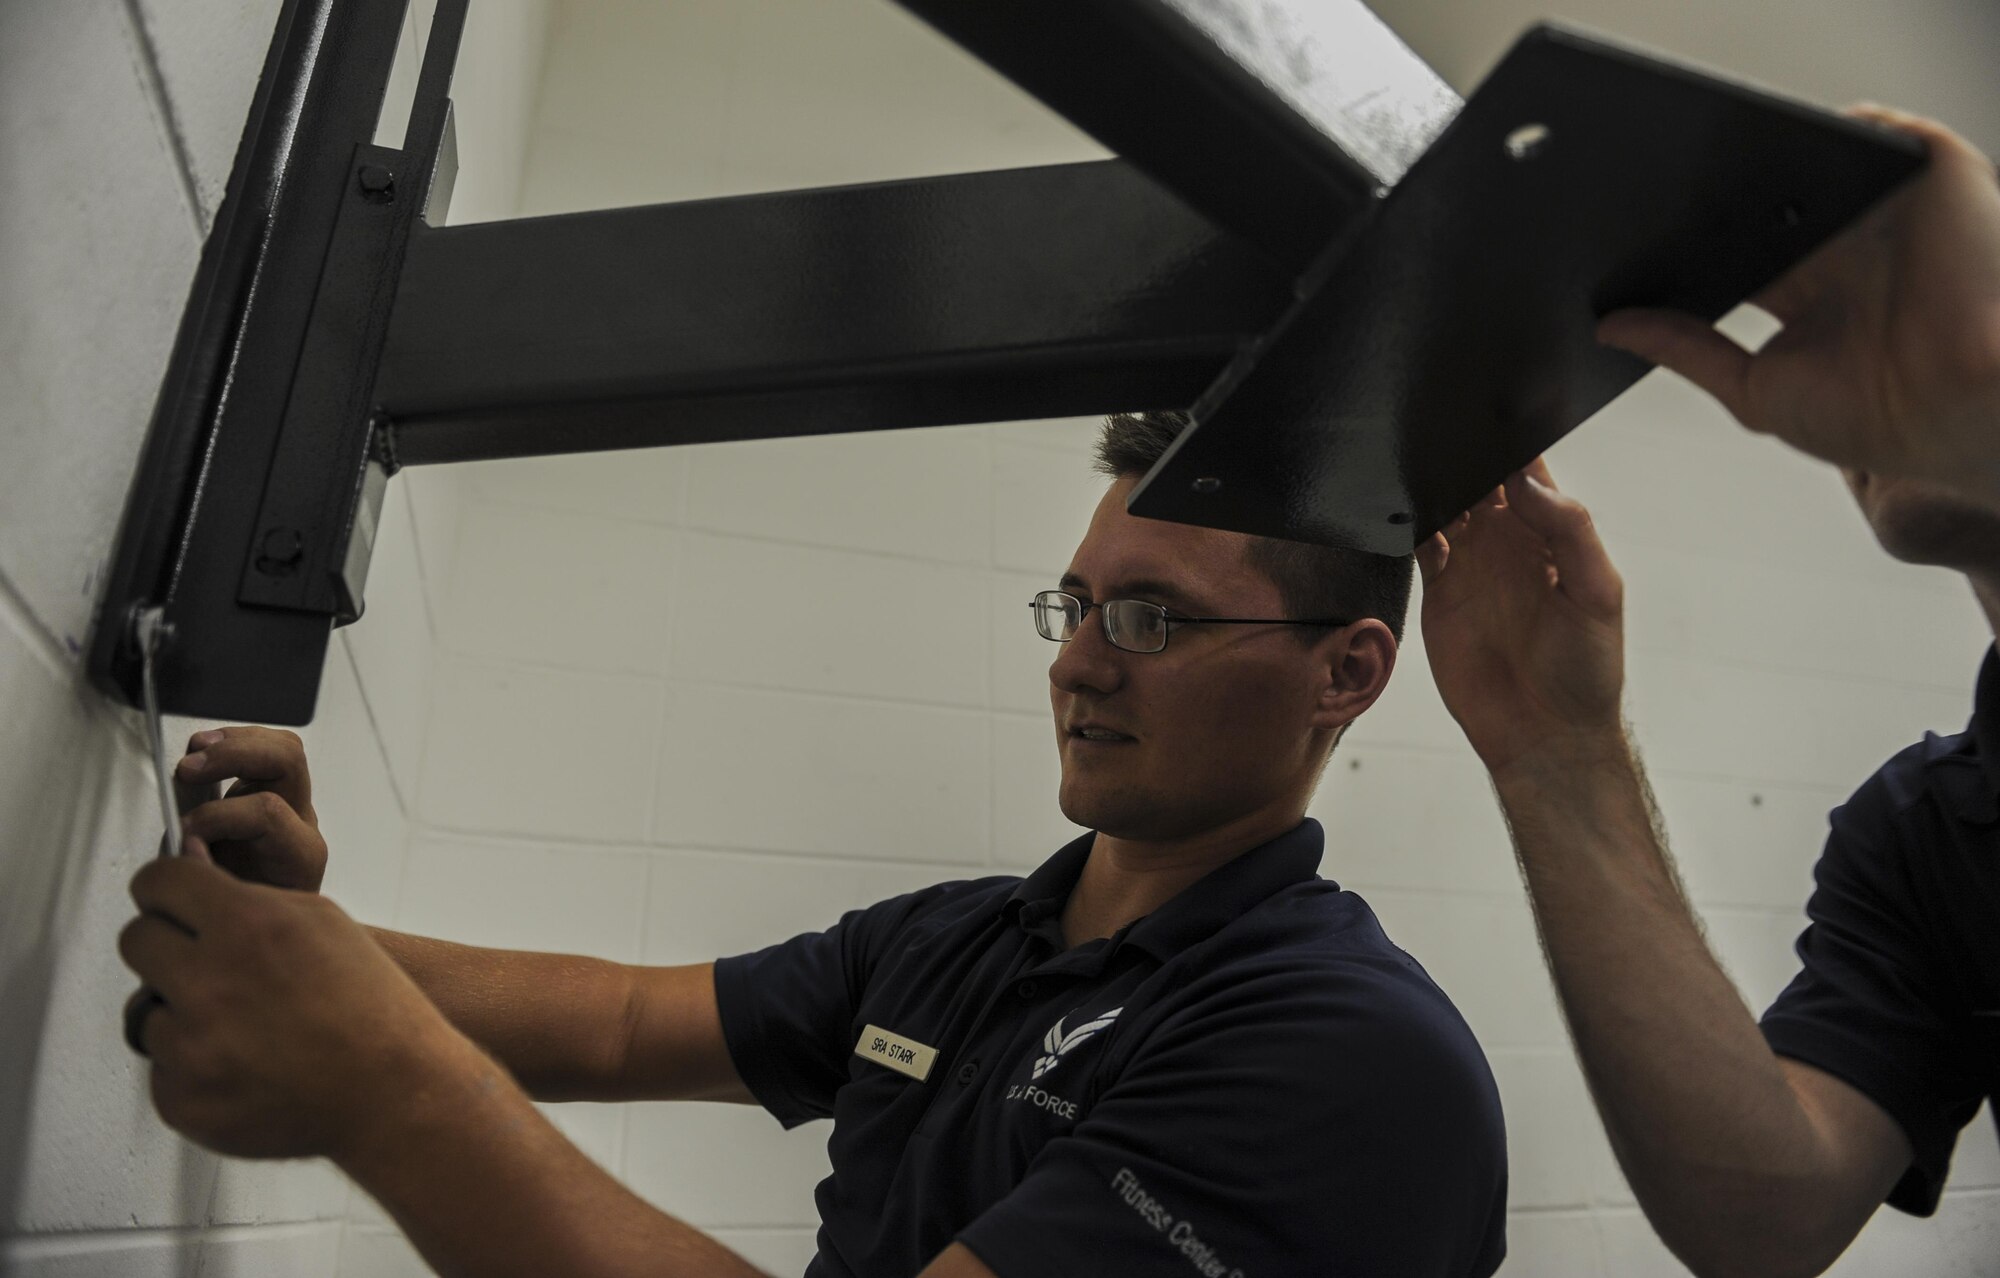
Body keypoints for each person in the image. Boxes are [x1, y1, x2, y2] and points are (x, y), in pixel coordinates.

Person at [115, 416, 1507, 1276]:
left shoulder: (1346, 1054)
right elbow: (609, 1023)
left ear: (1346, 672)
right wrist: (301, 933)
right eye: (1074, 605)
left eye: (1151, 618)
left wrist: (384, 1087)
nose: (1076, 665)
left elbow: (432, 1071)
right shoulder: (962, 939)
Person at [1418, 105, 2000, 1278]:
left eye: (1906, 334)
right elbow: (1765, 1220)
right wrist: (1555, 750)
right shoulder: (1927, 831)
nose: (1858, 383)